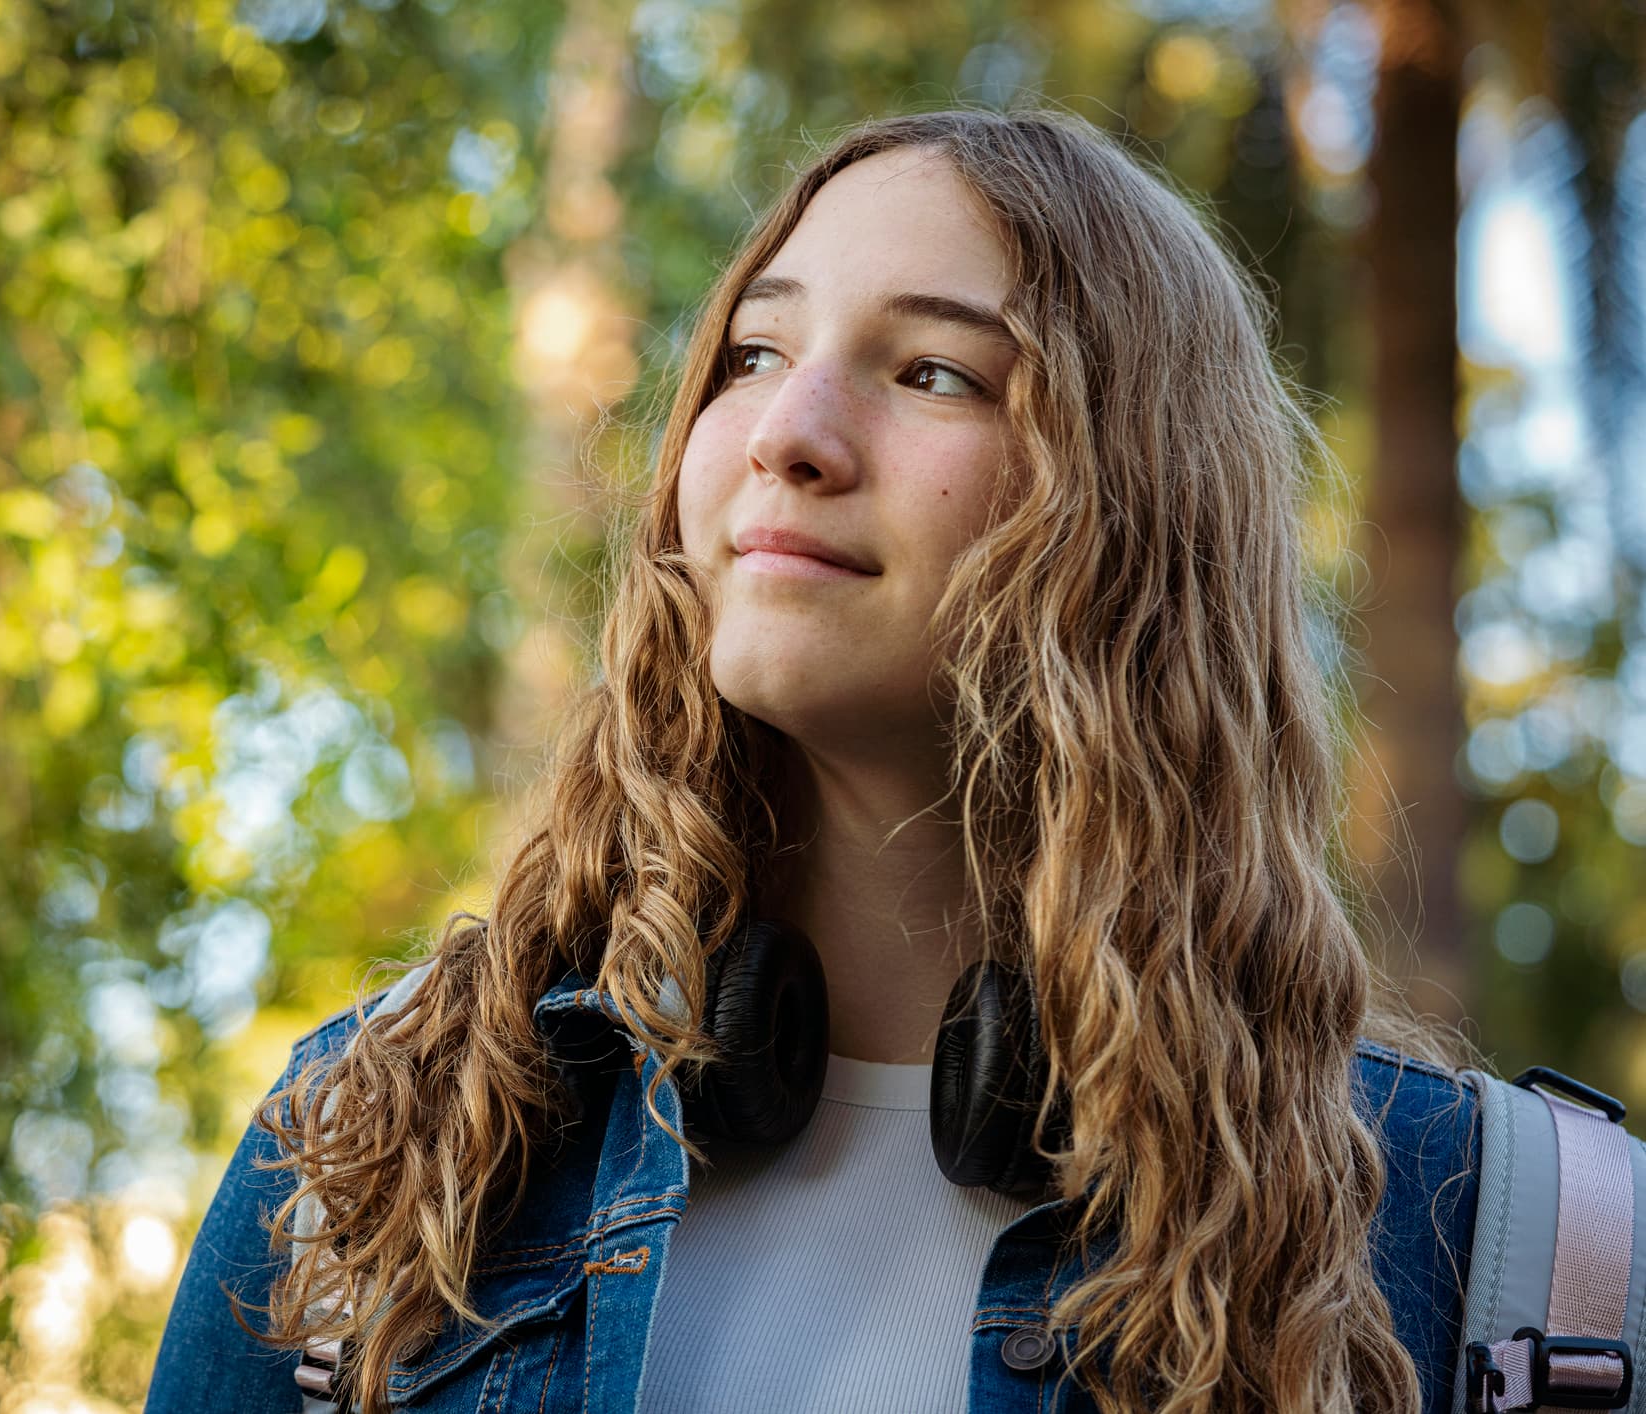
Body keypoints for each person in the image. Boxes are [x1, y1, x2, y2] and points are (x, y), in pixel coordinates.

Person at [142, 106, 1491, 1414]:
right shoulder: (372, 1150)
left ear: (1140, 517)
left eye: (934, 373)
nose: (790, 431)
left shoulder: (1484, 1245)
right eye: (753, 351)